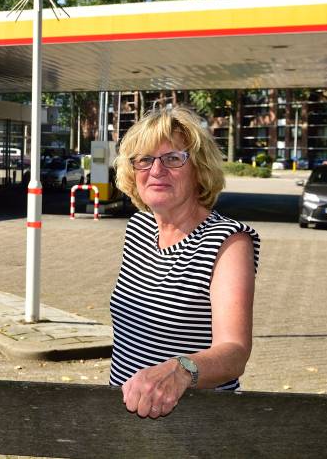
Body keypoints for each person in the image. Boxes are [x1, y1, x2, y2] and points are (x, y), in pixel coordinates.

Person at [109, 106, 260, 419]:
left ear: (199, 170)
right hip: (125, 422)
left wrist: (181, 370)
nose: (156, 170)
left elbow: (234, 351)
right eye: (145, 159)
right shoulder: (138, 228)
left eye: (173, 158)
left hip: (195, 427)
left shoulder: (229, 242)